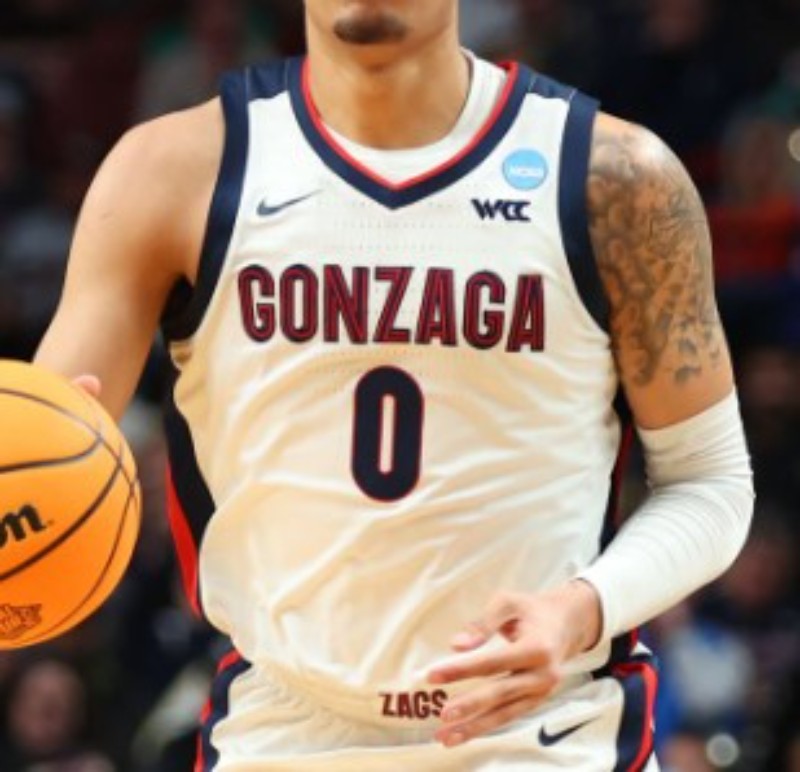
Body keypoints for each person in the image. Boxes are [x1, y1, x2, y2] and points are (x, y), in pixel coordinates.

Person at [35, 1, 754, 769]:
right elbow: (29, 479)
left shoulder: (615, 178)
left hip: (542, 735)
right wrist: (38, 478)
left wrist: (581, 611)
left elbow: (710, 482)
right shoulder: (173, 173)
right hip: (282, 730)